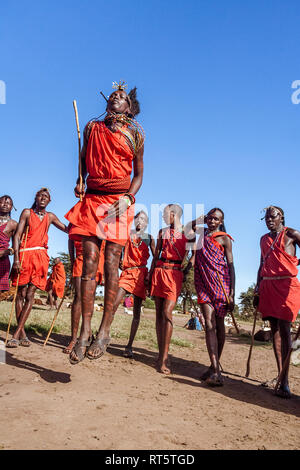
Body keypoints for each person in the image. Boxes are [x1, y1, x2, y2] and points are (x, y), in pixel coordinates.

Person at [65, 81, 145, 364]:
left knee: (112, 264)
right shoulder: (91, 128)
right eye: (113, 95)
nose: (116, 98)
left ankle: (104, 331)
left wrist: (130, 199)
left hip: (117, 204)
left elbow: (138, 176)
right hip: (93, 199)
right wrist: (79, 179)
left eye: (121, 97)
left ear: (129, 107)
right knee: (88, 262)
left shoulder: (135, 136)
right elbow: (84, 160)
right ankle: (84, 331)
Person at [6, 188, 68, 348]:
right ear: (36, 197)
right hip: (25, 256)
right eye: (40, 195)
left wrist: (79, 218)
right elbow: (18, 236)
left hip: (41, 258)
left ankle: (17, 333)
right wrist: (16, 259)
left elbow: (67, 229)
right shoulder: (27, 213)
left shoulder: (50, 216)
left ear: (49, 201)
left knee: (31, 294)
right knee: (20, 294)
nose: (43, 198)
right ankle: (22, 334)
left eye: (46, 197)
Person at [254, 205, 300, 399]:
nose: (269, 221)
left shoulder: (292, 233)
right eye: (266, 218)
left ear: (281, 217)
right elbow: (262, 262)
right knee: (274, 331)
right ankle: (281, 377)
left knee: (285, 328)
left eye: (272, 217)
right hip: (268, 286)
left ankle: (285, 381)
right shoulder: (264, 239)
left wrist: (292, 265)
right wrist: (257, 287)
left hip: (287, 286)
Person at [150, 204, 194, 374]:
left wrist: (188, 268)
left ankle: (164, 358)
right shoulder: (162, 232)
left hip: (175, 274)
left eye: (165, 214)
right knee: (159, 314)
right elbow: (157, 255)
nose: (162, 216)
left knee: (167, 313)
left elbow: (194, 254)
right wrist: (150, 275)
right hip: (159, 272)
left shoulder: (187, 233)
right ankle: (160, 354)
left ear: (173, 214)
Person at [193, 208, 235, 386]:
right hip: (203, 282)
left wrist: (232, 292)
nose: (211, 221)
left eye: (216, 219)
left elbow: (231, 265)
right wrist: (200, 219)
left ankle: (213, 365)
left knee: (218, 324)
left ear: (221, 222)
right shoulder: (201, 232)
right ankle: (216, 369)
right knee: (209, 324)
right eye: (210, 218)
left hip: (220, 284)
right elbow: (189, 226)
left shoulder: (224, 238)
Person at [112, 210, 155, 358]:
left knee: (136, 313)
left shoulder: (149, 238)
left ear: (146, 223)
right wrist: (119, 261)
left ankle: (129, 346)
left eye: (143, 220)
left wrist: (150, 277)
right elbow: (117, 250)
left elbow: (155, 259)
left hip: (141, 274)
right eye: (138, 219)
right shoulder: (126, 234)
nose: (140, 222)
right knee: (114, 304)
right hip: (127, 273)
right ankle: (102, 335)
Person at [63, 236, 105, 354]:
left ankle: (86, 335)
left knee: (89, 298)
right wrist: (72, 262)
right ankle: (73, 338)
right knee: (79, 297)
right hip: (81, 259)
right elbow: (71, 239)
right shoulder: (77, 218)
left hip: (97, 260)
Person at [0, 195, 17, 293]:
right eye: (2, 202)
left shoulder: (14, 224)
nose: (5, 204)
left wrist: (6, 252)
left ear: (12, 207)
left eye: (8, 203)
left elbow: (15, 247)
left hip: (3, 260)